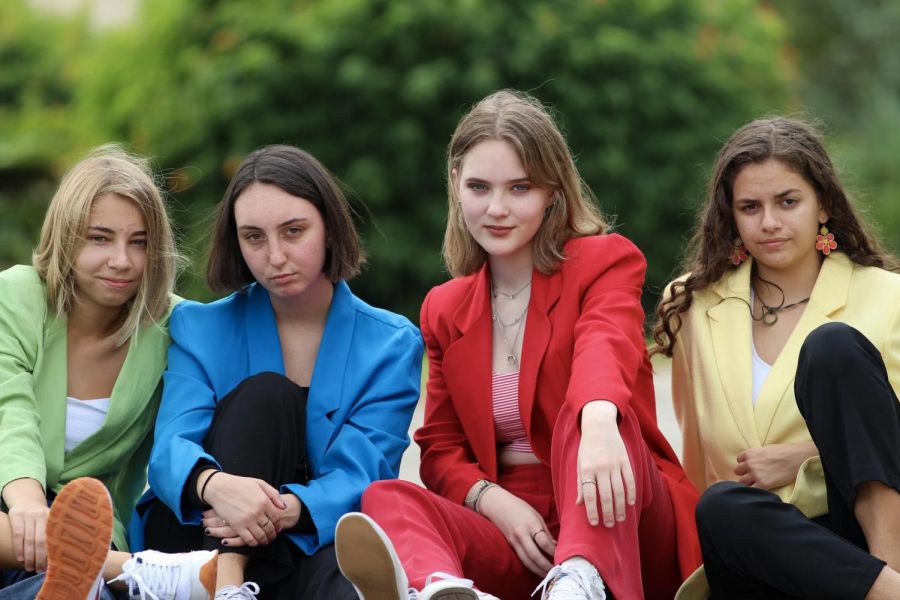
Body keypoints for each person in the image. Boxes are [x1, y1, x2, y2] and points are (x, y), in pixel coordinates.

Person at [334, 90, 702, 600]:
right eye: (480, 187)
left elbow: (605, 347)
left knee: (591, 410)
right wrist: (492, 501)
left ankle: (580, 583)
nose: (497, 208)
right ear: (456, 187)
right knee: (385, 497)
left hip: (621, 504)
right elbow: (440, 449)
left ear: (553, 191)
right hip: (515, 530)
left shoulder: (604, 262)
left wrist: (597, 421)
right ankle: (443, 590)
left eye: (520, 187)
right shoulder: (444, 307)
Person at [131, 144, 424, 600]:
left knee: (350, 575)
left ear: (328, 227)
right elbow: (170, 449)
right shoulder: (200, 327)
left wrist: (280, 510)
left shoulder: (391, 344)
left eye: (293, 231)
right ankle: (224, 583)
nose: (275, 256)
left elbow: (365, 474)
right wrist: (219, 487)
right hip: (192, 541)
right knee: (267, 395)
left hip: (302, 540)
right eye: (254, 237)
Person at [653, 117, 900, 599]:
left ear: (823, 204)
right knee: (722, 503)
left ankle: (888, 580)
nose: (769, 222)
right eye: (750, 206)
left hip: (860, 539)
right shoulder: (691, 305)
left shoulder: (889, 298)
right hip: (755, 556)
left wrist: (809, 456)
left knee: (834, 346)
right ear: (731, 215)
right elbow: (692, 464)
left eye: (788, 202)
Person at [0, 146, 218, 600]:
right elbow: (10, 407)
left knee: (61, 573)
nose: (122, 260)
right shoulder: (17, 295)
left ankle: (87, 577)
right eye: (100, 238)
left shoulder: (175, 327)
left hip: (84, 521)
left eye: (138, 242)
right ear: (66, 236)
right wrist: (26, 501)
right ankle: (136, 573)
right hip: (12, 500)